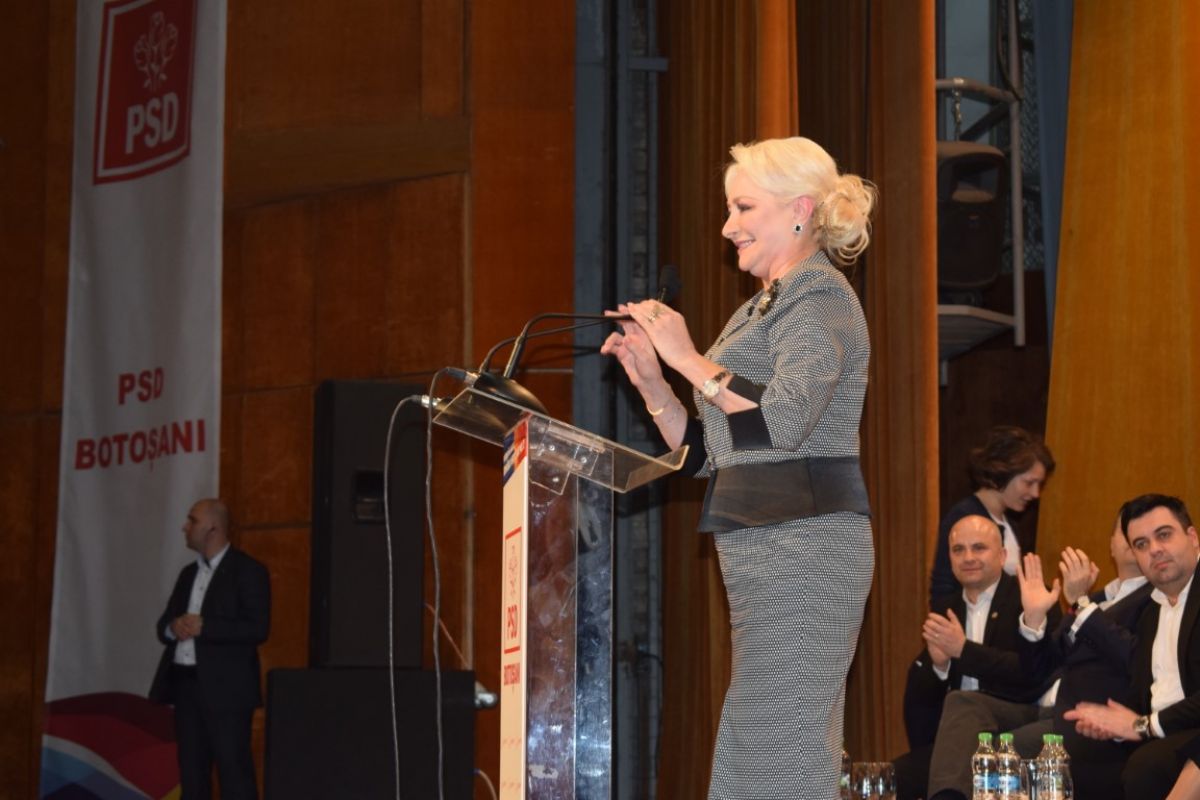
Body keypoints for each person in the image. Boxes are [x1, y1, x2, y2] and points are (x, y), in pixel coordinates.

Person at [601, 136, 875, 799]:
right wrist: (653, 383)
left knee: (781, 752)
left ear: (800, 210)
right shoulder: (761, 307)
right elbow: (710, 453)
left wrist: (686, 358)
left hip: (806, 551)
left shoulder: (821, 299)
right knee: (759, 748)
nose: (728, 227)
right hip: (764, 554)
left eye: (743, 207)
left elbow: (783, 421)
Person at [895, 515, 1058, 800]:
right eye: (958, 550)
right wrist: (939, 667)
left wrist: (963, 650)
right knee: (893, 776)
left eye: (979, 548)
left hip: (1018, 721)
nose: (968, 557)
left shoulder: (1029, 598)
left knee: (963, 701)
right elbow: (919, 707)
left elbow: (1033, 674)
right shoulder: (946, 608)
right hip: (959, 737)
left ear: (1003, 555)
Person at [1061, 494, 1200, 799]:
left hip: (1188, 736)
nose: (1155, 549)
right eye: (1141, 544)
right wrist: (1114, 724)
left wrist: (1142, 725)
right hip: (1165, 735)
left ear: (1192, 537)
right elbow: (1146, 694)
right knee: (1084, 761)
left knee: (1146, 767)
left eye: (1164, 535)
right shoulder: (1151, 612)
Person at [149, 498, 271, 800]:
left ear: (212, 528)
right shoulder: (187, 574)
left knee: (234, 775)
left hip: (227, 691)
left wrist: (207, 627)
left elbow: (257, 629)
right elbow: (163, 626)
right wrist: (174, 626)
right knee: (191, 776)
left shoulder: (248, 571)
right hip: (186, 685)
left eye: (192, 520)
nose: (185, 527)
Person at [929, 425, 1055, 602]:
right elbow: (943, 587)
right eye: (1029, 483)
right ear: (1003, 473)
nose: (1036, 493)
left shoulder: (1010, 523)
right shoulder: (963, 518)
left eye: (1039, 485)